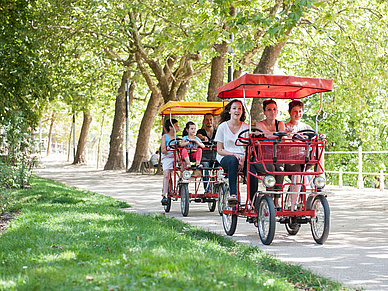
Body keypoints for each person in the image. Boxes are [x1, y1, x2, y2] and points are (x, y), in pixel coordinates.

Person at [251, 99, 285, 209]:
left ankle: (276, 200)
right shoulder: (260, 124)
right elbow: (268, 135)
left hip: (276, 156)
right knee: (270, 168)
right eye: (269, 110)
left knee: (280, 170)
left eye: (274, 109)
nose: (272, 112)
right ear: (264, 112)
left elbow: (283, 137)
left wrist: (273, 135)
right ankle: (269, 196)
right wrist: (276, 135)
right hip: (261, 158)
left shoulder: (280, 124)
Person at [214, 99, 249, 205]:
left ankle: (253, 200)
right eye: (234, 108)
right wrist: (234, 155)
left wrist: (243, 158)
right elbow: (220, 150)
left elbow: (248, 148)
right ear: (229, 111)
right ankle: (233, 194)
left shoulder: (246, 127)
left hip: (243, 157)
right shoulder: (222, 127)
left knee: (252, 167)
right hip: (226, 156)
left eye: (239, 108)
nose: (237, 111)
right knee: (233, 160)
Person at [284, 100, 313, 210]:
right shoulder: (285, 126)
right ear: (290, 113)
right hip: (290, 160)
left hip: (304, 158)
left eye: (300, 111)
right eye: (295, 111)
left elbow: (313, 143)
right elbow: (283, 146)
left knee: (320, 150)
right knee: (297, 172)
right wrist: (289, 137)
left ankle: (320, 179)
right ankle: (293, 205)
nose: (298, 114)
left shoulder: (307, 127)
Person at [160, 118, 179, 205]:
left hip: (176, 157)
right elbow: (163, 150)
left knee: (184, 167)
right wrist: (169, 147)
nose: (178, 127)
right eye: (176, 125)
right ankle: (165, 195)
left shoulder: (178, 138)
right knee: (167, 174)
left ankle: (181, 184)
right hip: (167, 157)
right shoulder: (165, 137)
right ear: (171, 127)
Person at [197, 113, 217, 193]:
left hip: (215, 155)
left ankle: (223, 187)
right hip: (205, 156)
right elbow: (198, 135)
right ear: (204, 121)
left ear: (213, 121)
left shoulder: (217, 131)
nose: (209, 122)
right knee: (205, 166)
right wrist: (202, 137)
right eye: (207, 120)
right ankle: (208, 189)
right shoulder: (201, 131)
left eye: (210, 120)